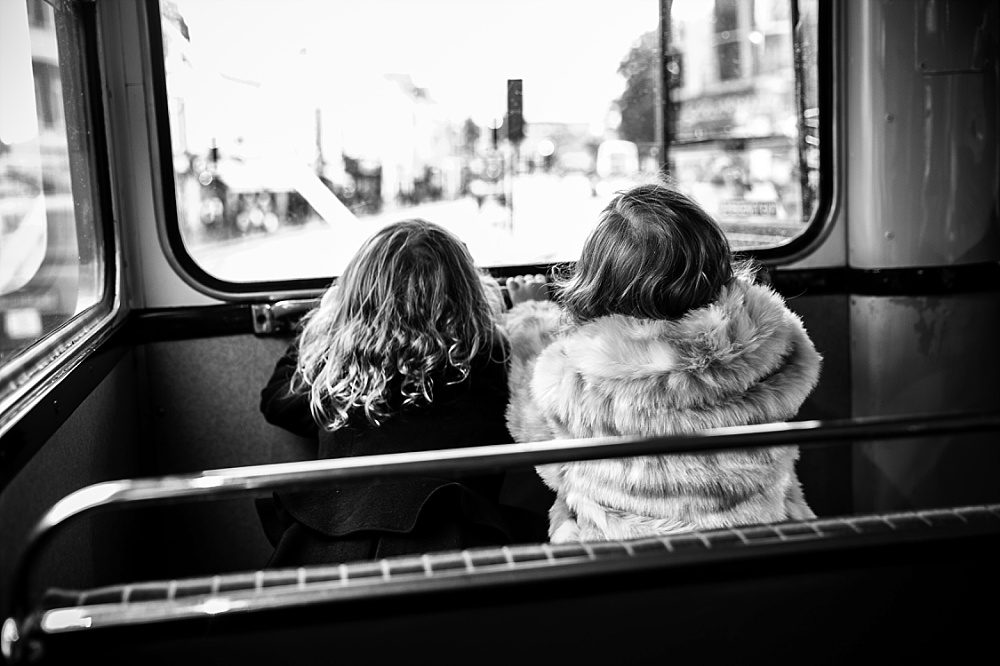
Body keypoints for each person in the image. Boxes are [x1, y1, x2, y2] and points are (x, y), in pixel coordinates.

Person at [502, 181, 823, 544]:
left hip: (628, 563)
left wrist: (530, 317)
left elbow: (543, 448)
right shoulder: (769, 346)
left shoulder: (574, 378)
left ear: (598, 282)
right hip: (753, 546)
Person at [259, 218, 545, 567]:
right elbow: (544, 405)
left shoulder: (338, 373)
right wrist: (530, 313)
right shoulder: (494, 363)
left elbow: (275, 400)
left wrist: (328, 324)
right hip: (458, 543)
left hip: (335, 547)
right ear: (471, 293)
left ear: (353, 300)